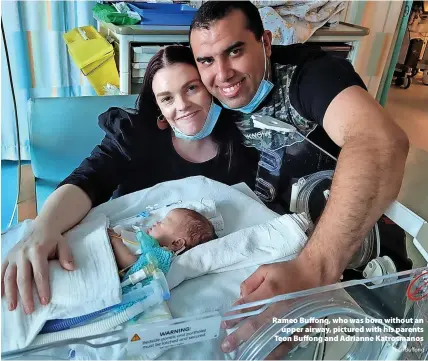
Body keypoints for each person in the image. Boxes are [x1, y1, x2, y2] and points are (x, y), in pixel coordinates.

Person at [188, 1, 409, 353]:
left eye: (235, 51)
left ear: (265, 43)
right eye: (207, 60)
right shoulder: (207, 101)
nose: (223, 74)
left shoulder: (311, 76)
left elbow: (379, 142)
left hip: (352, 262)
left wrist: (313, 269)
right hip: (279, 249)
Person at [1, 45, 259, 315]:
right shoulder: (133, 138)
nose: (182, 106)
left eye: (191, 88)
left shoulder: (247, 143)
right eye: (167, 98)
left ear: (210, 86)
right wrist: (45, 228)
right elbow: (88, 180)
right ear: (158, 107)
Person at [109, 208, 217, 271]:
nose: (157, 223)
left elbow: (130, 264)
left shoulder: (160, 255)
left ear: (176, 243)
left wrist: (115, 240)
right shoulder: (148, 242)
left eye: (163, 223)